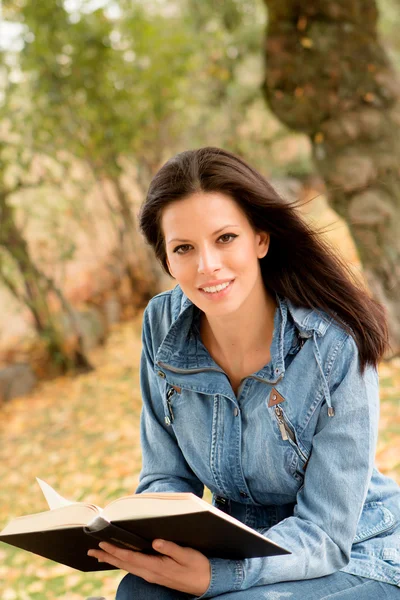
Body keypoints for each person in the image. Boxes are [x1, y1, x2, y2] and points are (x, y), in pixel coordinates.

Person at [88, 147, 400, 599]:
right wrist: (146, 540)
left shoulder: (331, 344)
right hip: (230, 545)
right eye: (184, 249)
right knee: (140, 593)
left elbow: (328, 535)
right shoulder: (162, 327)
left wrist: (220, 576)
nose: (207, 266)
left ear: (260, 239)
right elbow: (166, 477)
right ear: (167, 261)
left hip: (357, 550)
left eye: (225, 238)